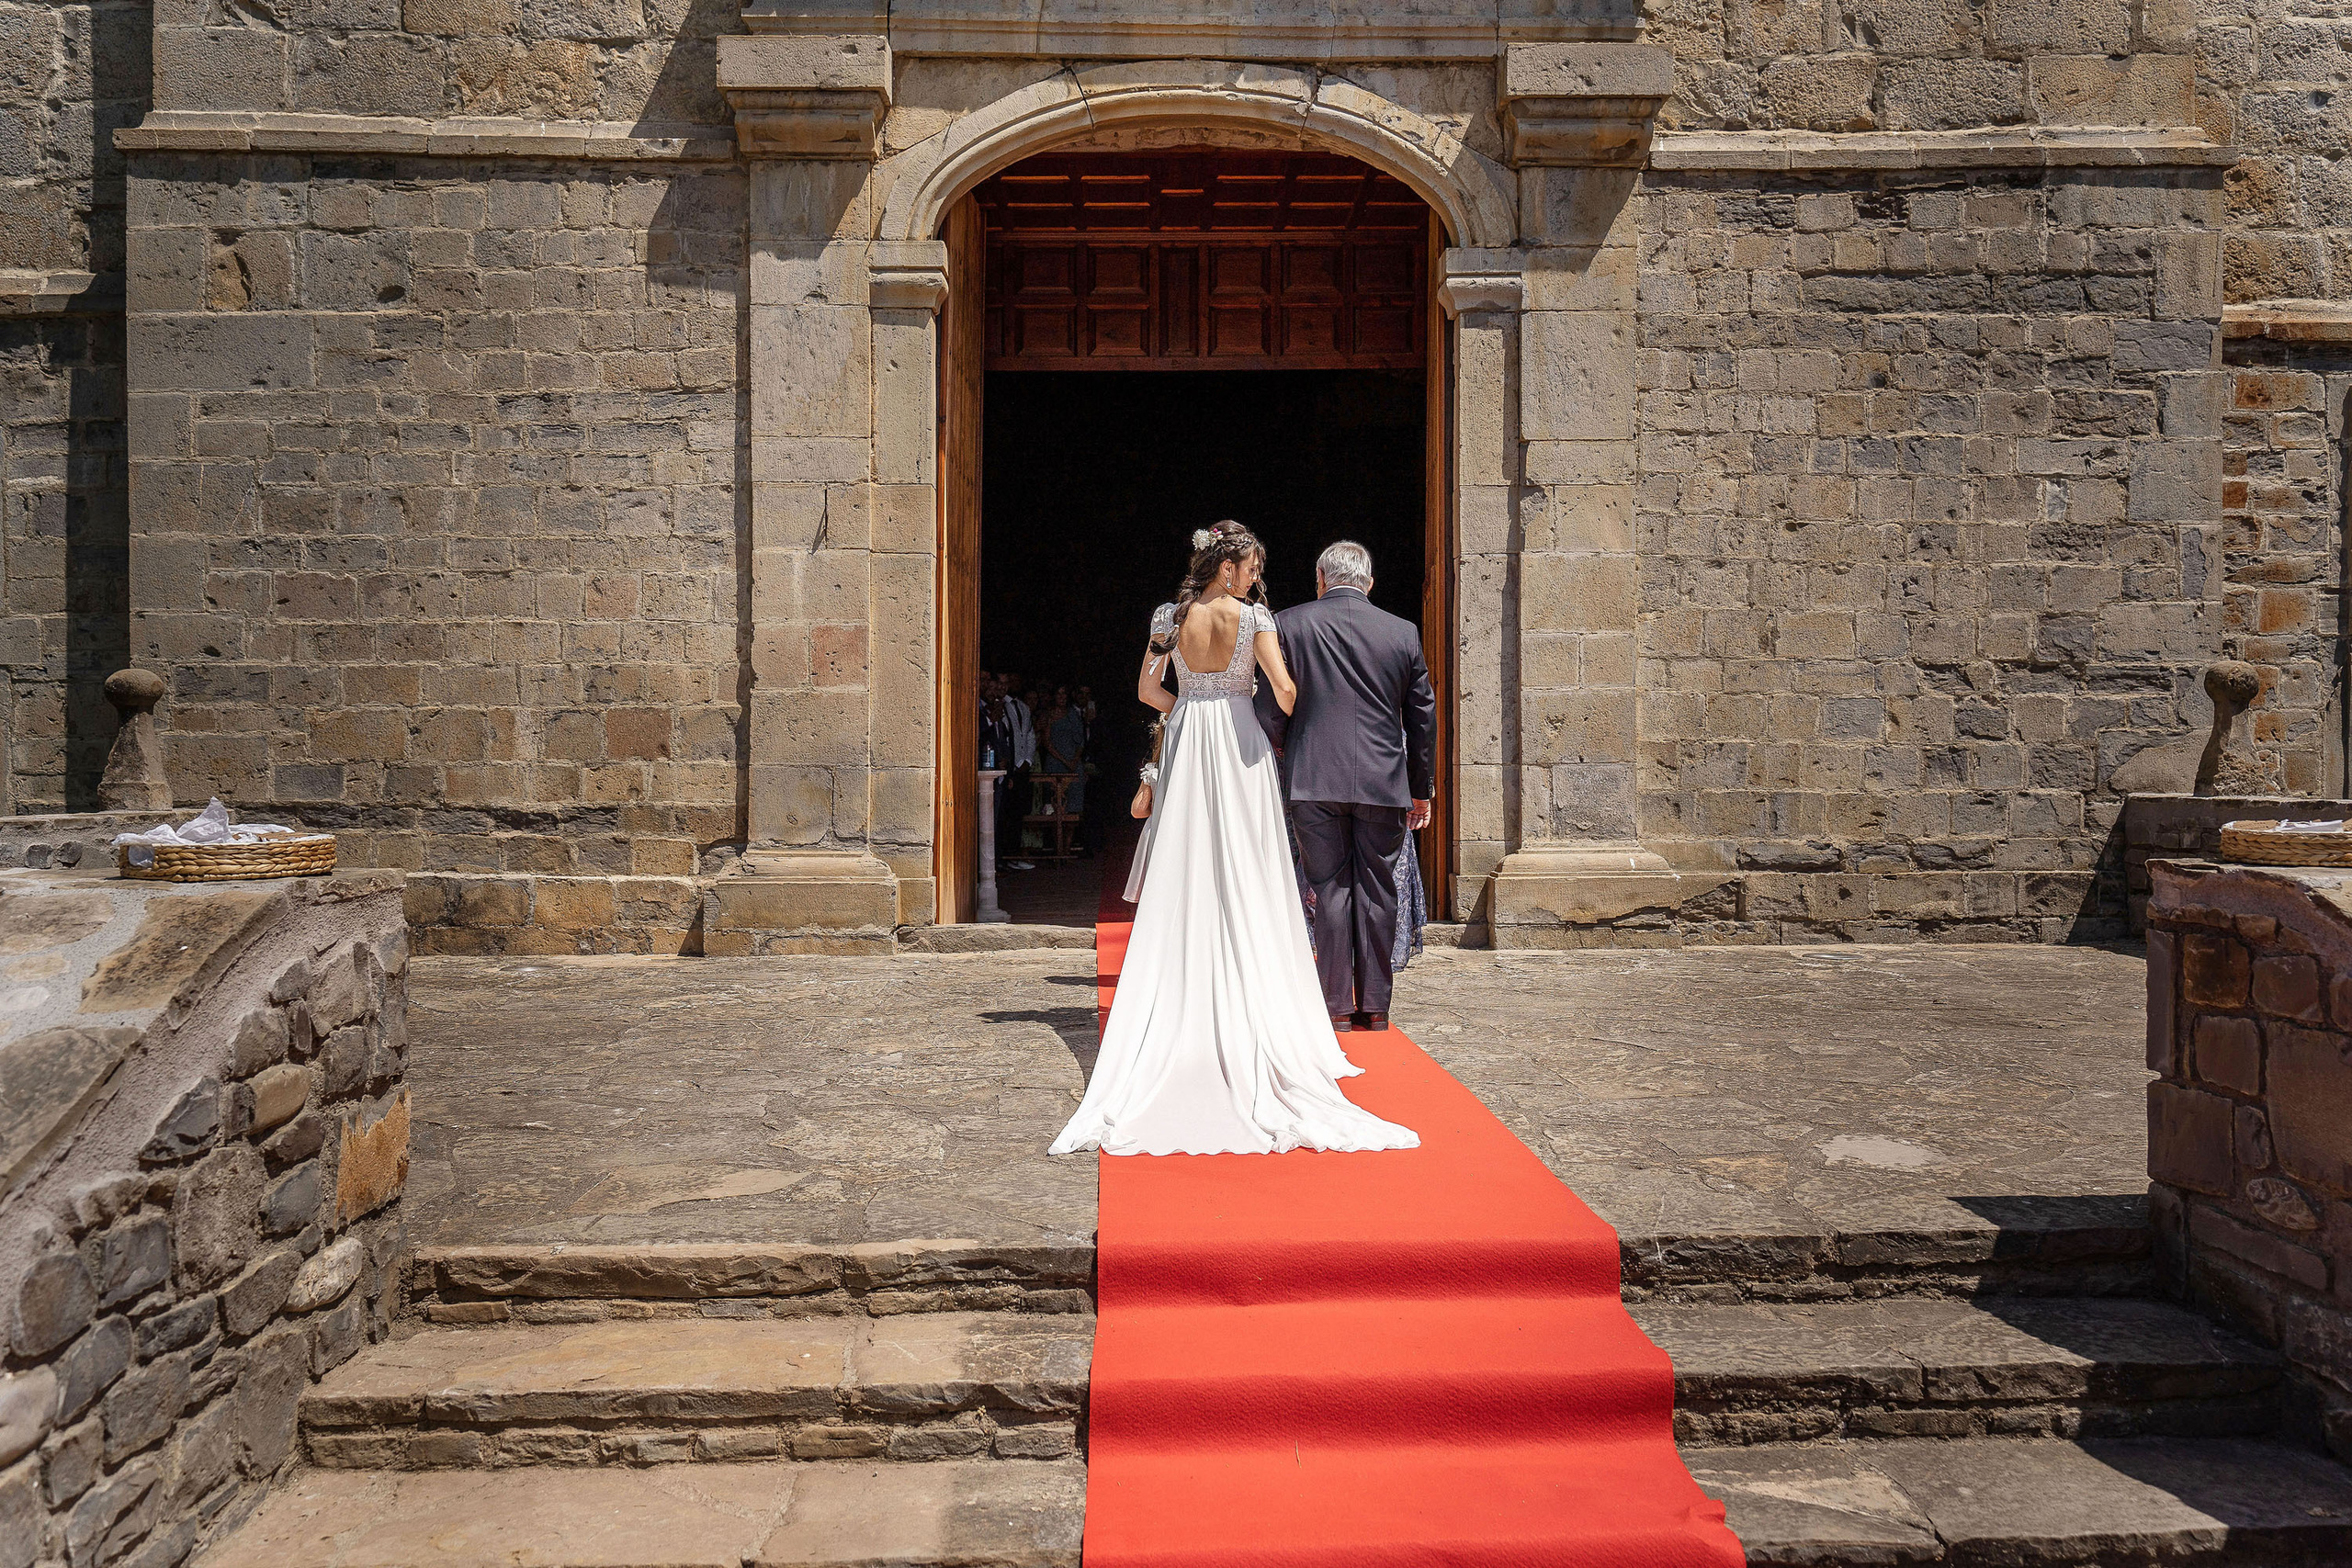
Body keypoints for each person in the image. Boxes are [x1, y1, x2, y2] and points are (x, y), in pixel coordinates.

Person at [1050, 521, 1419, 1157]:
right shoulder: (1255, 619)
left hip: (1193, 740)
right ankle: (1257, 1000)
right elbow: (1284, 688)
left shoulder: (1168, 614)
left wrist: (1191, 709)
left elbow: (1146, 690)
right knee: (1250, 868)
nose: (1255, 576)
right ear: (1229, 566)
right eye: (1251, 566)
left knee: (1187, 865)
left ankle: (1183, 994)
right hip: (1242, 745)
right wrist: (1258, 708)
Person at [1253, 540, 1436, 1032]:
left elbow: (1271, 707)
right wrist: (1421, 789)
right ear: (1370, 583)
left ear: (1320, 578)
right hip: (1382, 781)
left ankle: (1334, 1005)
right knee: (1379, 890)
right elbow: (1422, 717)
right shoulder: (1402, 632)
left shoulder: (1290, 624)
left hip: (1314, 779)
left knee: (1328, 888)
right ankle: (1375, 1007)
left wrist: (1286, 750)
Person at [1040, 693, 1086, 820]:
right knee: (1054, 808)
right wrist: (1064, 761)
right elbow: (1046, 742)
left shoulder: (1073, 715)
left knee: (1073, 810)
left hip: (1073, 765)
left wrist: (1074, 761)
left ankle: (1069, 841)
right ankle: (1057, 840)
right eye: (1059, 694)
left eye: (1064, 695)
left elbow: (1081, 741)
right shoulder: (1048, 715)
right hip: (1055, 764)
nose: (1062, 698)